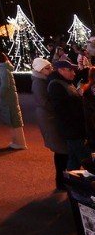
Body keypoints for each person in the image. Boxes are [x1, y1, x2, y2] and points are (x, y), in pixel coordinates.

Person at [31, 56, 68, 190]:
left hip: (49, 117)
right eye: (47, 68)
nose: (50, 70)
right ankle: (61, 182)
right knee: (60, 149)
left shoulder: (44, 80)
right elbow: (44, 102)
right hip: (48, 118)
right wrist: (58, 107)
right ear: (40, 70)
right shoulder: (38, 82)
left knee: (61, 150)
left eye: (50, 67)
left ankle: (61, 181)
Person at [46, 58, 87, 170]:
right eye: (70, 70)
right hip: (72, 129)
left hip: (72, 128)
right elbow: (62, 110)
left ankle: (69, 183)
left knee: (74, 159)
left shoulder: (65, 83)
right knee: (86, 158)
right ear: (61, 70)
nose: (73, 73)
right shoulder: (56, 85)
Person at [0, 51, 27, 150]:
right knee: (14, 118)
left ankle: (19, 142)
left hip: (8, 98)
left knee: (13, 119)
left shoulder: (3, 69)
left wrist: (0, 94)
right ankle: (17, 141)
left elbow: (5, 85)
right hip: (10, 97)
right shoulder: (4, 68)